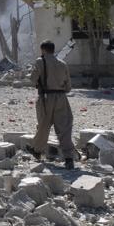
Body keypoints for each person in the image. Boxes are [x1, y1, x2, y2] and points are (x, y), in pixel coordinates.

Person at [28, 40, 77, 169]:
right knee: (64, 128)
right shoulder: (62, 64)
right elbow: (68, 87)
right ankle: (68, 158)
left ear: (43, 50)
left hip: (45, 98)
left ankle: (37, 150)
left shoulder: (40, 61)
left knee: (44, 125)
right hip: (61, 98)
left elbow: (33, 79)